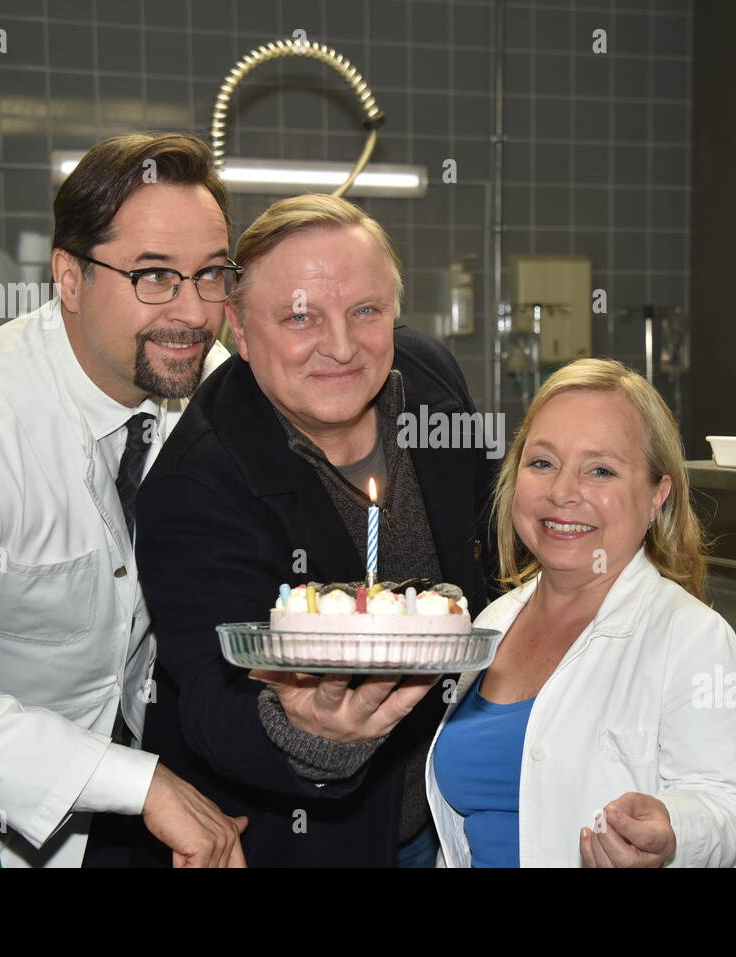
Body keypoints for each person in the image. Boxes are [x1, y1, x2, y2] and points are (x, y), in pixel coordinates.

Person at [0, 132, 248, 868]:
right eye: (155, 276)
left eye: (211, 275)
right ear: (69, 276)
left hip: (151, 781)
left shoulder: (207, 391)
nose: (193, 313)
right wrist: (143, 784)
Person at [117, 193, 498, 867]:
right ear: (236, 324)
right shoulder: (196, 483)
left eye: (366, 311)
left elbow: (487, 563)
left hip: (449, 819)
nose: (343, 346)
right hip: (312, 839)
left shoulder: (432, 382)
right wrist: (311, 730)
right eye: (301, 316)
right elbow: (210, 695)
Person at [426, 358, 736, 867]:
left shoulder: (692, 636)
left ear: (658, 495)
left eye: (600, 470)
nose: (562, 492)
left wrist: (670, 830)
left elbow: (730, 804)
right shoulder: (492, 622)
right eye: (542, 463)